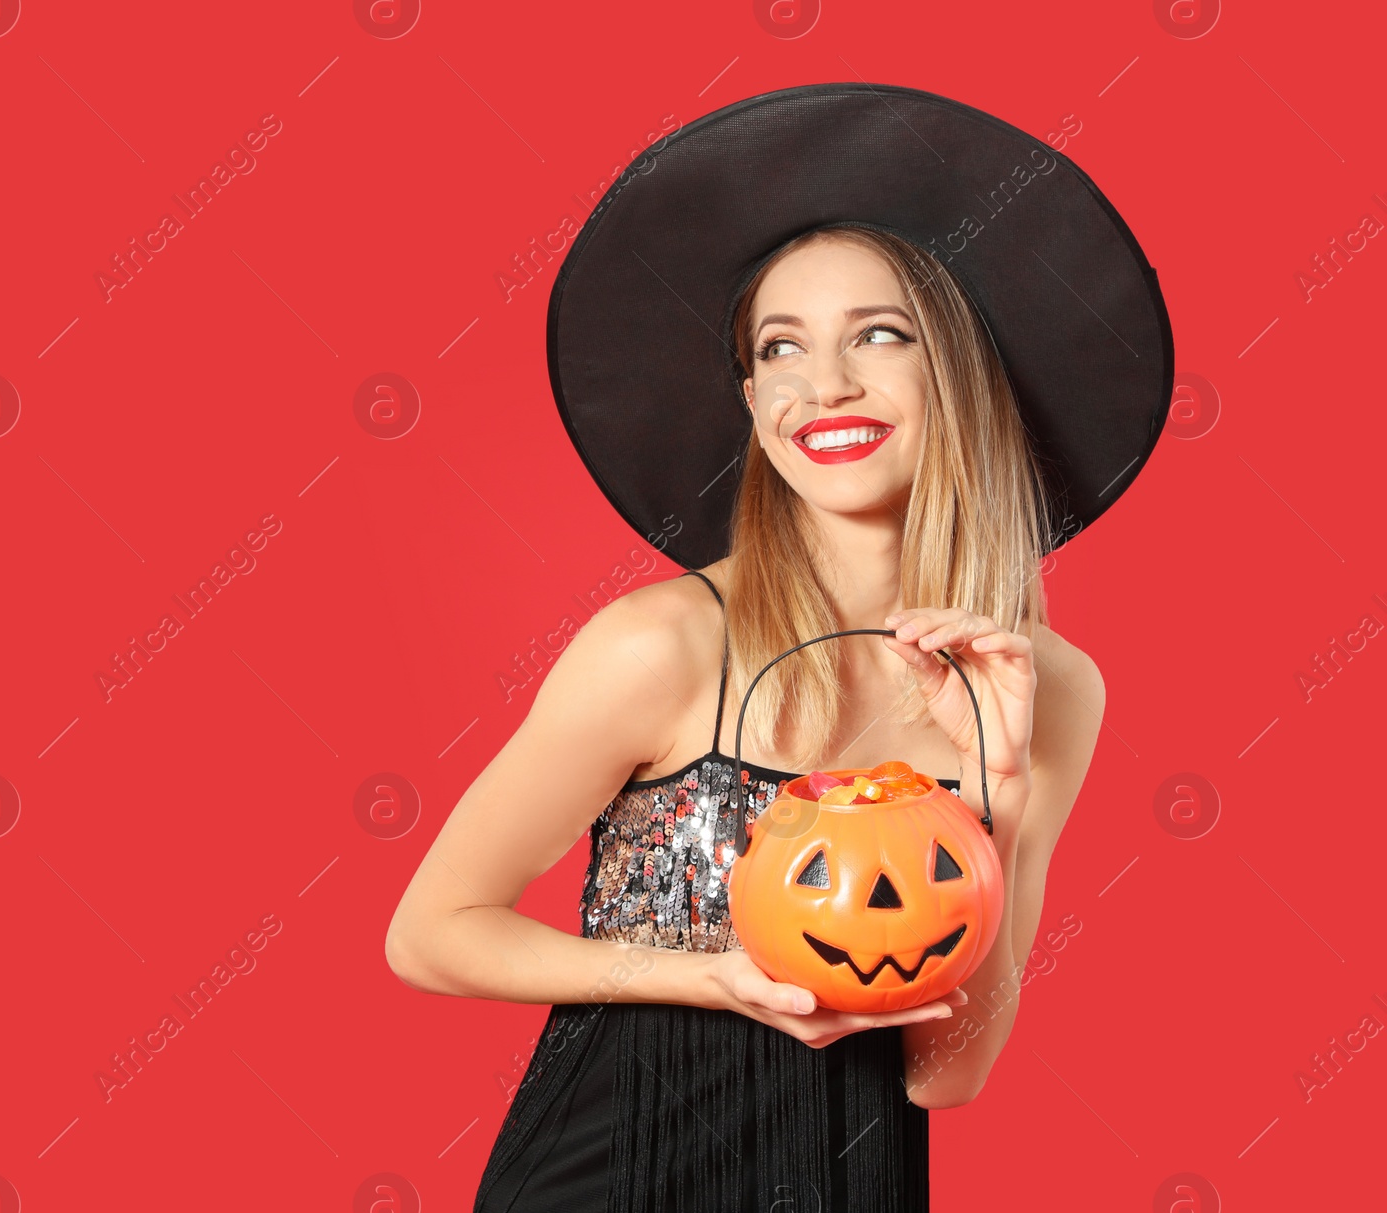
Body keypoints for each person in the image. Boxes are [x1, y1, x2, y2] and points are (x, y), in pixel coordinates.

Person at [386, 83, 1171, 1212]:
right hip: (608, 1178)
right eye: (781, 349)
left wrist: (997, 793)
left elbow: (951, 1075)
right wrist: (707, 978)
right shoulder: (660, 645)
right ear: (754, 401)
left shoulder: (1048, 684)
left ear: (960, 371)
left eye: (880, 334)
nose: (825, 385)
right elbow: (431, 934)